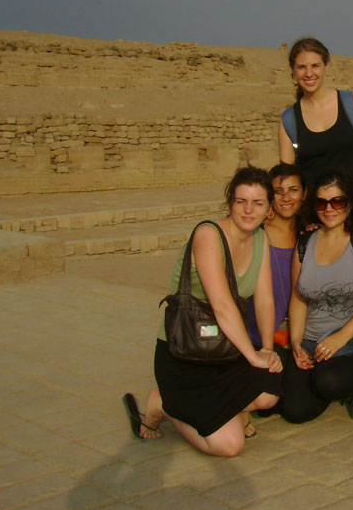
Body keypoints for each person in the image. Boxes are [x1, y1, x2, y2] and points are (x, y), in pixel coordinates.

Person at [121, 166, 283, 457]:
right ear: (229, 203)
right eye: (240, 201)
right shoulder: (208, 234)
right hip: (187, 353)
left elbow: (265, 300)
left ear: (269, 208)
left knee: (269, 394)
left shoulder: (260, 238)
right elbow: (221, 305)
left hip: (225, 351)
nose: (248, 210)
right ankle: (164, 405)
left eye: (258, 203)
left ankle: (219, 411)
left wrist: (268, 349)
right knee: (229, 446)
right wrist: (252, 355)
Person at [280, 169, 353, 422]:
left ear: (350, 203)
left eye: (337, 201)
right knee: (295, 411)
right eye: (321, 202)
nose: (329, 209)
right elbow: (299, 297)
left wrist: (340, 338)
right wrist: (296, 343)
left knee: (329, 380)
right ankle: (325, 378)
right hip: (313, 338)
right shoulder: (305, 242)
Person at [278, 37, 353, 227]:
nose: (309, 73)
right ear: (292, 70)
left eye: (315, 66)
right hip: (312, 221)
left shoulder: (352, 104)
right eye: (301, 67)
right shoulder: (288, 120)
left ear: (326, 65)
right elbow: (287, 177)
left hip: (351, 215)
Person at [245, 162, 305, 348]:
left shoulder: (310, 236)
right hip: (255, 338)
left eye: (293, 189)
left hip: (298, 337)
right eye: (278, 191)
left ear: (305, 194)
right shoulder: (255, 234)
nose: (286, 197)